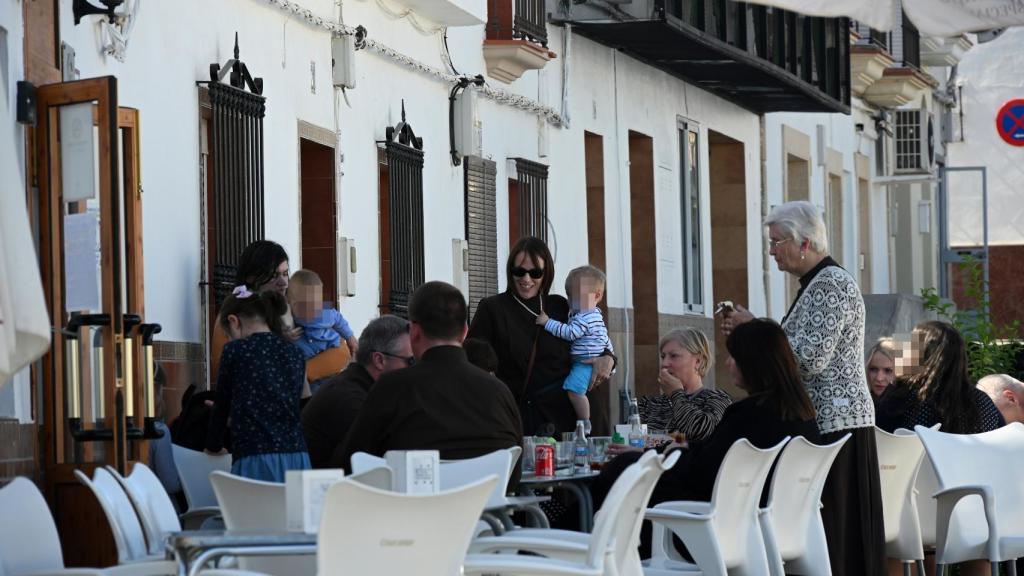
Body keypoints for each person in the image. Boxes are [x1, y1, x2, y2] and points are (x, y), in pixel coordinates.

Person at [721, 200, 884, 576]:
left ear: (804, 243)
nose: (772, 251)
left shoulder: (831, 284)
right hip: (827, 418)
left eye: (777, 242)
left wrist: (755, 328)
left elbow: (809, 357)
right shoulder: (817, 284)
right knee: (828, 529)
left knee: (837, 531)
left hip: (835, 420)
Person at [592, 319, 820, 557]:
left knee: (626, 469)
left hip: (713, 526)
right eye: (663, 356)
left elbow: (702, 469)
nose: (728, 363)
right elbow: (711, 454)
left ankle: (588, 549)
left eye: (734, 356)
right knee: (627, 466)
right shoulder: (800, 413)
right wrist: (666, 448)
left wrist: (660, 452)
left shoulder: (745, 412)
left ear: (753, 362)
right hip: (762, 523)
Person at [334, 282, 522, 487]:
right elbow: (514, 474)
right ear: (465, 331)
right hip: (484, 515)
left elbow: (351, 464)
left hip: (411, 515)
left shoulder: (392, 389)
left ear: (414, 331)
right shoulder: (499, 392)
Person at [468, 236, 614, 436]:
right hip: (521, 419)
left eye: (535, 272)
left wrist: (608, 358)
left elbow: (595, 336)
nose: (526, 279)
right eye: (519, 271)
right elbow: (474, 358)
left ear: (546, 274)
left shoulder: (560, 306)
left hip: (569, 418)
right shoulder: (492, 308)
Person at [205, 286, 309, 482]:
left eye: (228, 334)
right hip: (297, 456)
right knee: (295, 512)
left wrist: (214, 445)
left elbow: (221, 405)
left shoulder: (235, 351)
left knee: (253, 511)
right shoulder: (295, 353)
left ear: (234, 322)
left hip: (254, 456)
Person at [301, 315, 411, 468]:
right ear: (379, 360)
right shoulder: (350, 399)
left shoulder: (360, 387)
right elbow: (380, 462)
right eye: (410, 361)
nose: (416, 369)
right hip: (325, 488)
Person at [875, 321, 1005, 434]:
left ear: (919, 355)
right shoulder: (982, 401)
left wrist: (902, 373)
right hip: (972, 462)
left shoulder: (903, 397)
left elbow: (879, 437)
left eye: (910, 345)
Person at [536, 265, 612, 434]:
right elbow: (606, 341)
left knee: (574, 391)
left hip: (585, 362)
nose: (572, 302)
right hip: (586, 361)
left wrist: (547, 322)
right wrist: (609, 355)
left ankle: (584, 421)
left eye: (578, 297)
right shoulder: (594, 314)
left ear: (597, 296)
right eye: (570, 295)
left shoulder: (585, 317)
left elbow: (570, 333)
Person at [211, 240, 295, 381]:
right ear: (251, 277)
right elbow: (223, 371)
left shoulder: (288, 309)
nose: (284, 282)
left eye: (285, 273)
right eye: (274, 275)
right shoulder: (234, 314)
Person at [635, 327, 731, 442]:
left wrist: (676, 393)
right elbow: (630, 438)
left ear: (698, 361)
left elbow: (699, 433)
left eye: (674, 356)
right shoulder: (649, 404)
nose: (664, 363)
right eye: (663, 356)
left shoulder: (717, 399)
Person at [288, 269, 358, 390]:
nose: (316, 308)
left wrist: (350, 338)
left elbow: (339, 320)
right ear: (293, 304)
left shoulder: (326, 313)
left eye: (318, 302)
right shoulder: (289, 318)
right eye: (308, 304)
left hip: (330, 349)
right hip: (307, 365)